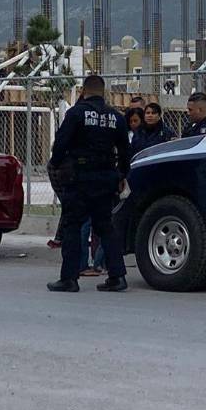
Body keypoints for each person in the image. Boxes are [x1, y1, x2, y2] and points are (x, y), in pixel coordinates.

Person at [48, 74, 131, 293]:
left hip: (80, 177)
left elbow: (61, 144)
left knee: (72, 226)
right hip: (106, 177)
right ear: (103, 92)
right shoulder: (116, 117)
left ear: (84, 91)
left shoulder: (76, 113)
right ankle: (117, 276)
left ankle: (69, 278)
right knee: (106, 227)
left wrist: (56, 165)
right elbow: (125, 151)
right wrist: (122, 175)